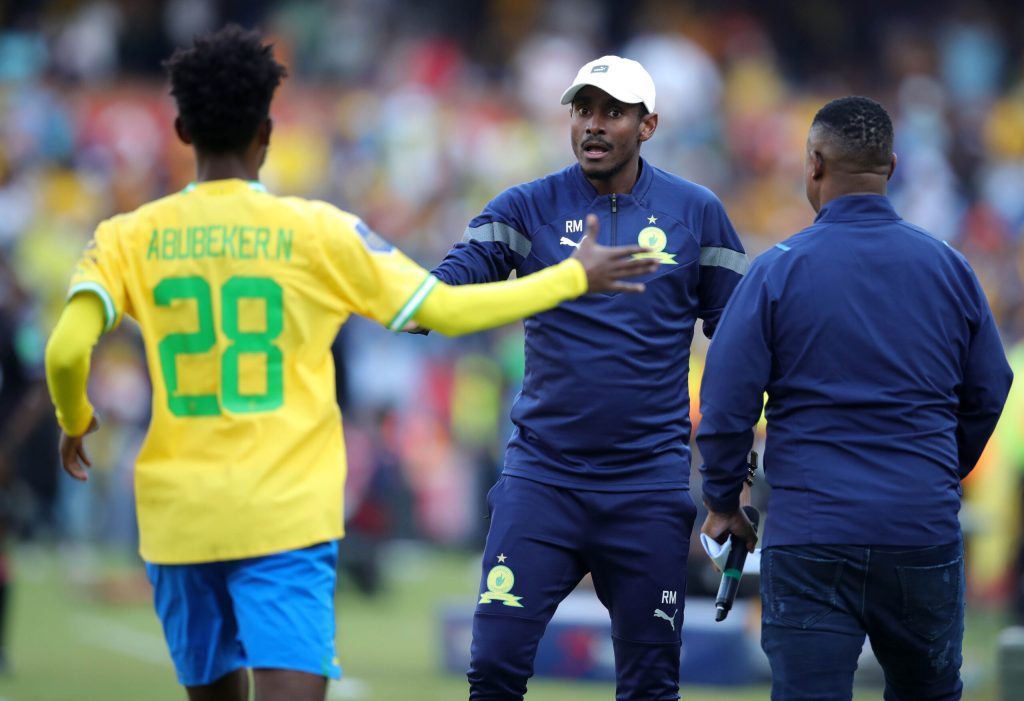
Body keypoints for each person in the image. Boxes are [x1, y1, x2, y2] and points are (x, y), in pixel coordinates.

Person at [42, 27, 658, 701]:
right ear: (267, 134)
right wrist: (570, 277)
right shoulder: (320, 232)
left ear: (182, 129)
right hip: (284, 511)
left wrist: (75, 417)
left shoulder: (126, 235)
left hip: (177, 512)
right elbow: (444, 311)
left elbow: (68, 348)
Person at [428, 56, 748, 700]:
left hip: (648, 489)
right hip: (541, 480)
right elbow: (447, 287)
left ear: (648, 124)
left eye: (613, 112)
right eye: (583, 109)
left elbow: (740, 343)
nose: (593, 125)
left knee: (651, 686)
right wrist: (412, 294)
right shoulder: (526, 207)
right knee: (492, 669)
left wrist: (726, 489)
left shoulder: (697, 213)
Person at [697, 96, 1013, 701]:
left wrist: (723, 498)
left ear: (813, 162)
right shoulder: (949, 267)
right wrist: (935, 472)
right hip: (919, 529)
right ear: (891, 165)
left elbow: (727, 404)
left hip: (812, 535)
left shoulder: (777, 270)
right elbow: (988, 387)